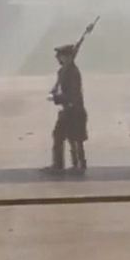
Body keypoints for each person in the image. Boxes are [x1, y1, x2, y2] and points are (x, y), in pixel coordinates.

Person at [41, 44, 89, 175]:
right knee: (61, 136)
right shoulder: (64, 70)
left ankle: (78, 165)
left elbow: (72, 95)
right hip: (68, 110)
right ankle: (61, 165)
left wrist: (56, 97)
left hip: (74, 110)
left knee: (75, 139)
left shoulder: (72, 72)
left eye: (60, 55)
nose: (57, 58)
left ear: (67, 57)